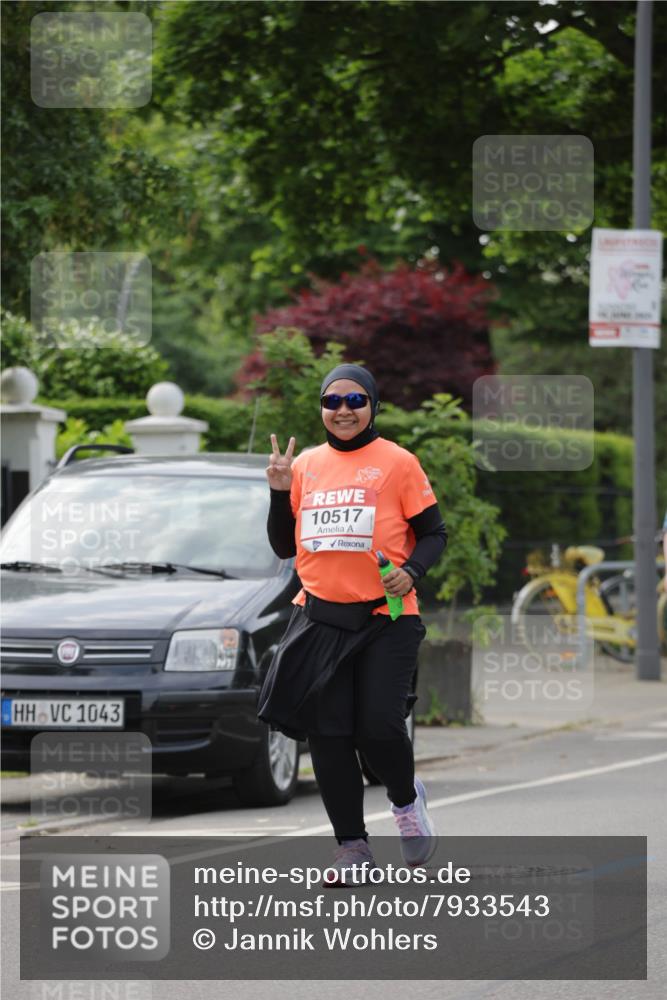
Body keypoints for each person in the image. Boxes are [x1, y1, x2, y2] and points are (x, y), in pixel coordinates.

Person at [259, 362, 447, 886]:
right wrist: (278, 490)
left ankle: (407, 803)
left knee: (379, 726)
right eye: (332, 401)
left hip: (386, 618)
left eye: (355, 400)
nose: (343, 410)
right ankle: (353, 849)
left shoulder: (397, 462)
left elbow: (434, 533)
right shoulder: (306, 466)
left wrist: (411, 572)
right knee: (329, 735)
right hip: (319, 618)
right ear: (322, 408)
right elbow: (282, 546)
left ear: (372, 406)